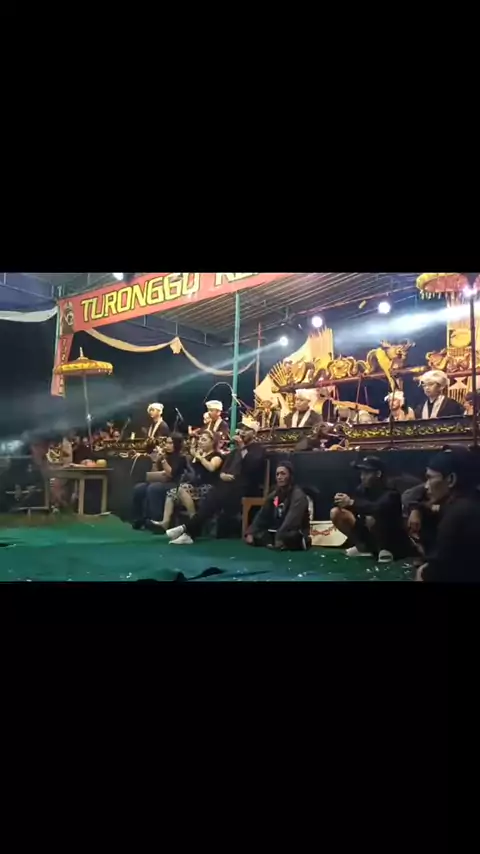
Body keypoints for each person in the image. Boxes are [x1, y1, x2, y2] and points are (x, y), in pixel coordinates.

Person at [164, 419, 265, 544]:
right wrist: (222, 474)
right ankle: (189, 531)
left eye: (246, 430)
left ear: (254, 433)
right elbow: (224, 468)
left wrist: (242, 448)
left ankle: (187, 529)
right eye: (242, 429)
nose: (243, 432)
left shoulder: (258, 450)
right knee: (214, 494)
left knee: (216, 494)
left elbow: (252, 468)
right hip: (229, 486)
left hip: (247, 487)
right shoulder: (235, 451)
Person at [415, 448, 480, 582]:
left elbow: (437, 571)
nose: (426, 486)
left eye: (430, 478)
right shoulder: (471, 504)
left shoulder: (457, 515)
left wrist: (423, 572)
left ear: (451, 480)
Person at [330, 456, 410, 563]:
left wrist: (351, 502)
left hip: (392, 539)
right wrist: (342, 502)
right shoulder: (361, 489)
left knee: (371, 517)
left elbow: (377, 508)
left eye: (367, 473)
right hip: (368, 532)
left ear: (378, 474)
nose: (362, 477)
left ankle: (385, 549)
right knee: (336, 513)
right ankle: (364, 547)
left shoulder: (391, 492)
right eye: (362, 473)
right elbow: (357, 509)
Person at [245, 461, 311, 550]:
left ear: (290, 476)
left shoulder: (298, 496)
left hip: (292, 531)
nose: (279, 477)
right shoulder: (274, 494)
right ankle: (275, 542)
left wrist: (279, 536)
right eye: (277, 474)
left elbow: (291, 521)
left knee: (291, 536)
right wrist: (251, 532)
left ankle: (277, 542)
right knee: (258, 534)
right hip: (277, 530)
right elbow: (262, 515)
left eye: (283, 474)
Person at [131, 433, 187, 529]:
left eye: (170, 443)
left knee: (154, 488)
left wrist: (163, 461)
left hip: (174, 484)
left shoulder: (181, 457)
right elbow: (155, 472)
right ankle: (140, 519)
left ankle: (156, 520)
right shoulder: (164, 455)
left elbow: (171, 474)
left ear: (177, 444)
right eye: (167, 443)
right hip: (162, 481)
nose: (167, 445)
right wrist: (157, 460)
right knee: (139, 488)